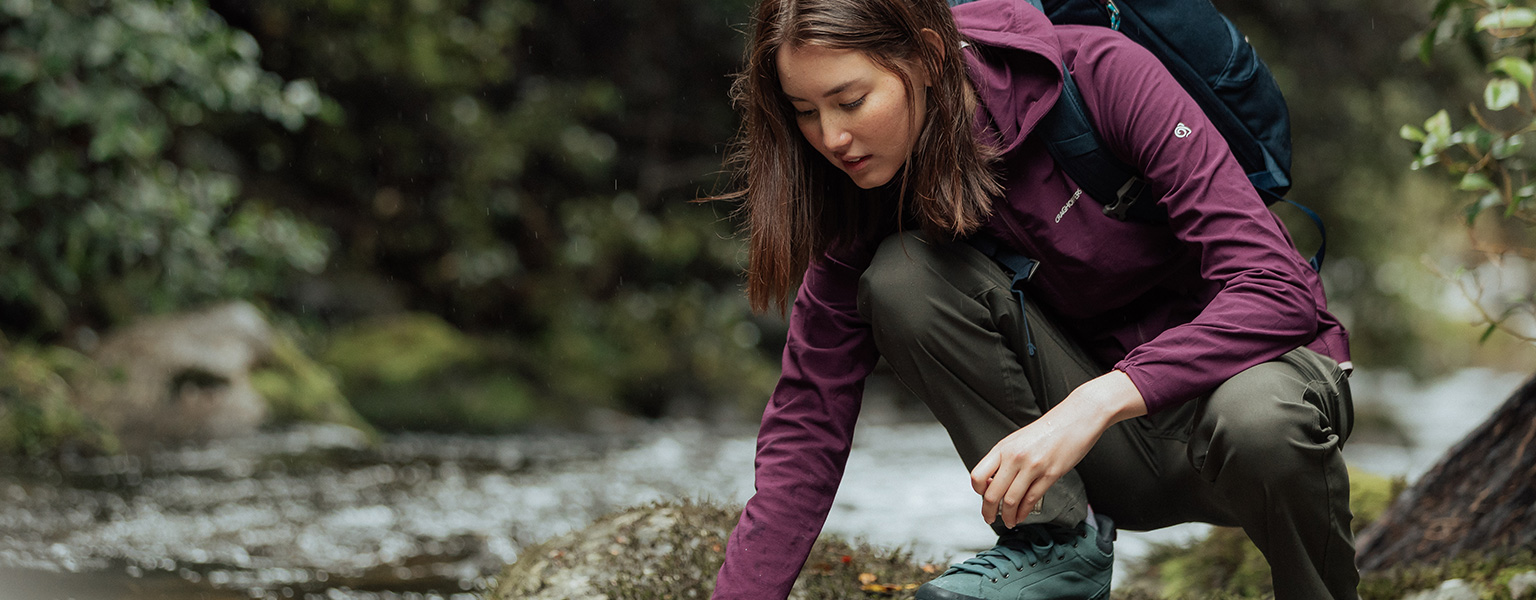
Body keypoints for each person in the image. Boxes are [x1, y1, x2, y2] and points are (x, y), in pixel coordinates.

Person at [709, 0, 1358, 598]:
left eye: (850, 101)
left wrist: (1094, 402)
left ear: (931, 57)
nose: (831, 138)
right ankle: (1058, 546)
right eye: (805, 111)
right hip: (1111, 458)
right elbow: (807, 421)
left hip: (1251, 415)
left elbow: (1276, 290)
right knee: (901, 278)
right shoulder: (865, 194)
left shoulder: (1101, 75)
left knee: (1257, 420)